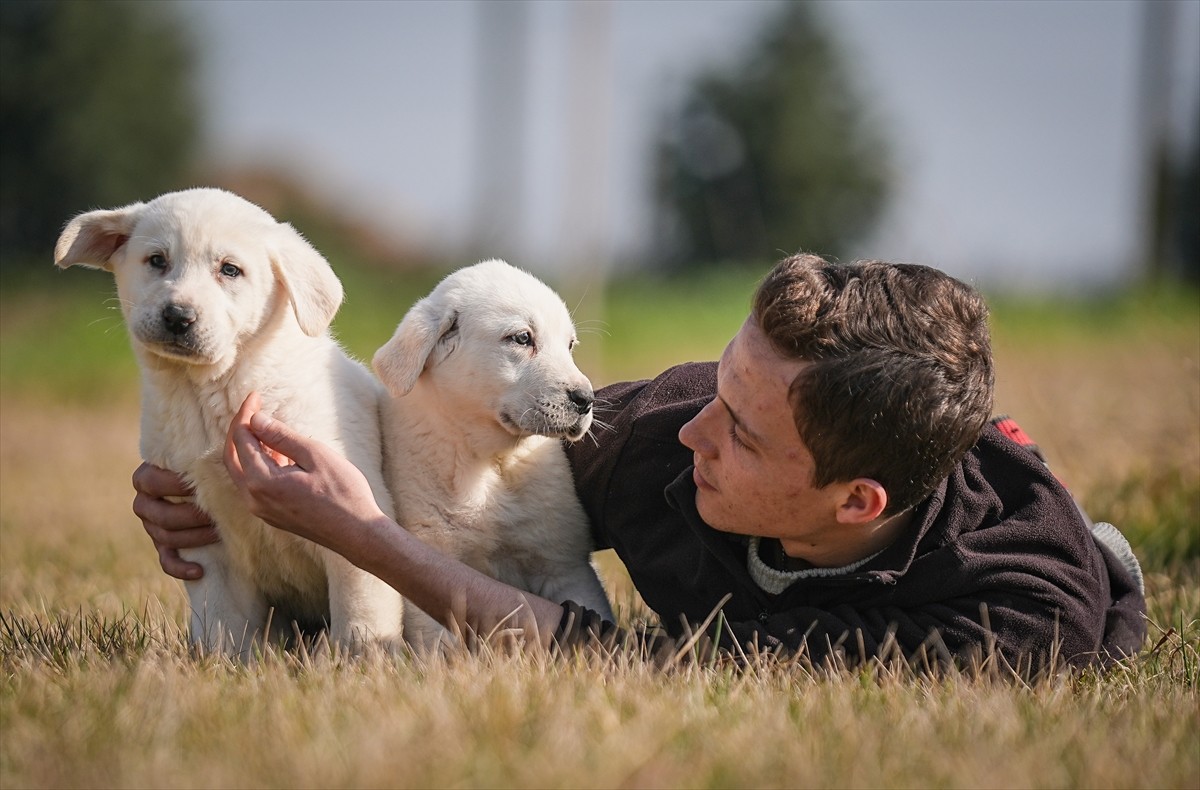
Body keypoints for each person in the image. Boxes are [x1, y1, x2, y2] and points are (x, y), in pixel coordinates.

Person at [134, 254, 1146, 671]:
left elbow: (646, 669)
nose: (693, 437)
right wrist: (230, 499)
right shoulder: (658, 436)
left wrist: (369, 540)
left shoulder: (1012, 608)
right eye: (721, 390)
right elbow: (443, 457)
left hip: (1051, 581)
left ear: (856, 500)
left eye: (742, 433)